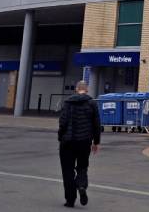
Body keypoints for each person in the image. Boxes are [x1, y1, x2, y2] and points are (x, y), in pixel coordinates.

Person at [58, 80, 101, 208]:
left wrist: (61, 137)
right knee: (82, 167)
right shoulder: (92, 103)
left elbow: (63, 122)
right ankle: (81, 185)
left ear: (76, 89)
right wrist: (96, 142)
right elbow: (96, 125)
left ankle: (70, 200)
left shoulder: (68, 103)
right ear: (86, 90)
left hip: (68, 142)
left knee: (67, 171)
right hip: (84, 141)